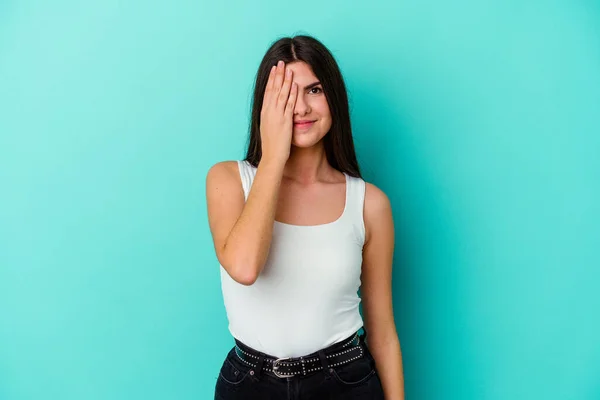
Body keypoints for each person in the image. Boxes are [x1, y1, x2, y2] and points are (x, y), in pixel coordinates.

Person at [206, 35, 405, 399]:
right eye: (284, 94)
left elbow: (382, 332)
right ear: (264, 105)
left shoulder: (369, 204)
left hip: (345, 382)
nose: (300, 107)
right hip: (249, 384)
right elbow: (245, 266)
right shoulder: (228, 180)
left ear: (334, 97)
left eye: (313, 90)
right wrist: (274, 155)